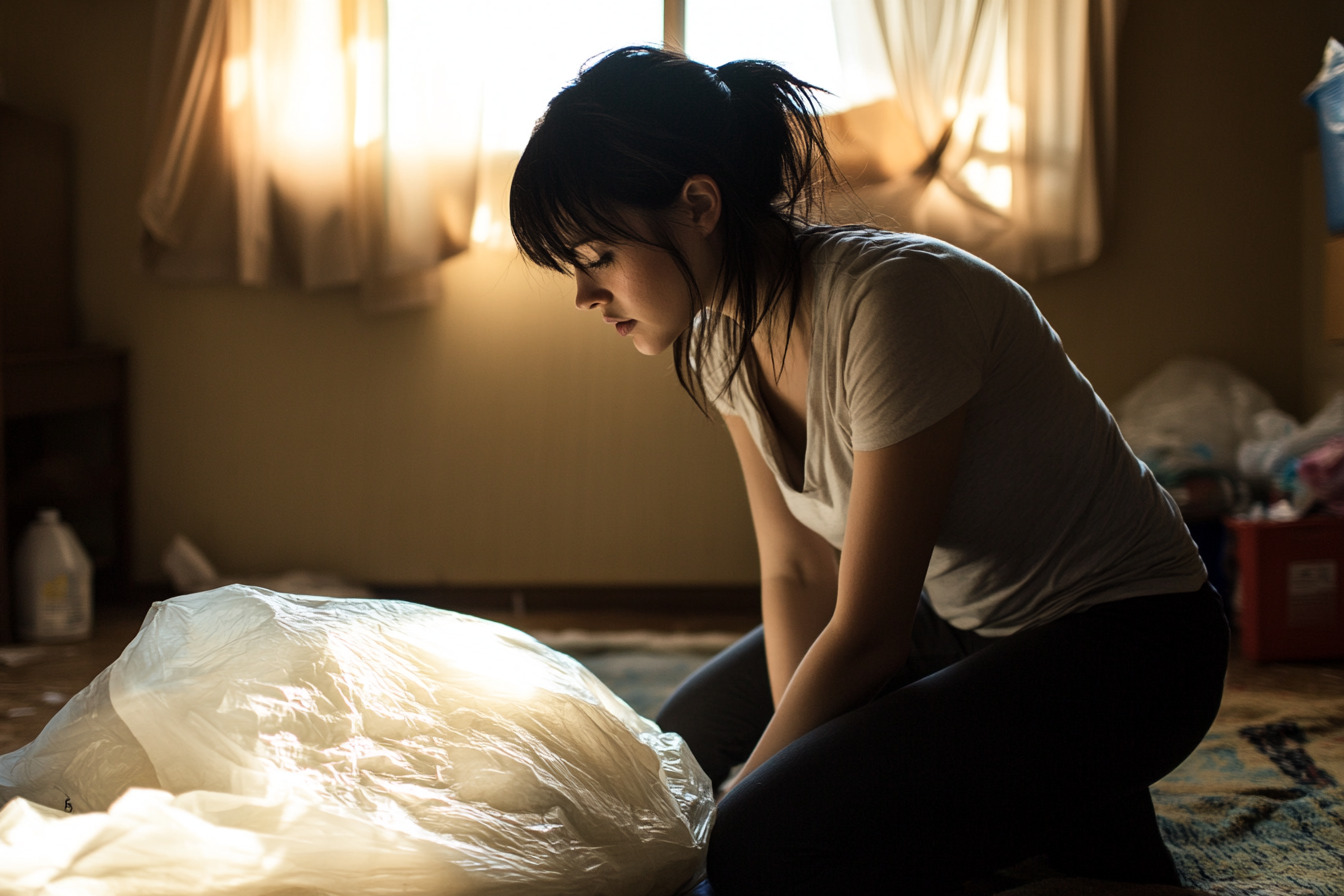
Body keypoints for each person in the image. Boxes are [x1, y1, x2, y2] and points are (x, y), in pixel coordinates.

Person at [509, 46, 1228, 896]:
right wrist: (797, 765)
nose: (585, 296)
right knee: (687, 736)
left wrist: (759, 800)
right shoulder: (716, 343)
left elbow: (871, 632)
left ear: (698, 204)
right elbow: (799, 567)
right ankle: (1050, 803)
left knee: (756, 842)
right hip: (967, 626)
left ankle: (1076, 811)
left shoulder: (894, 303)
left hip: (1131, 646)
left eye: (595, 255)